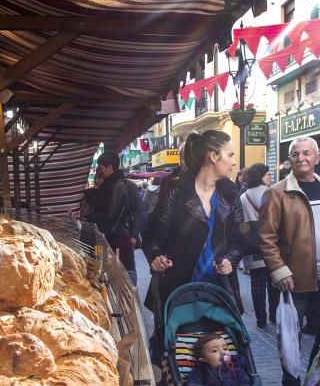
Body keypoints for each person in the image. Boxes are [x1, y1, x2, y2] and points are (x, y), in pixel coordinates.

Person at [258, 136, 320, 386]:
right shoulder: (278, 192)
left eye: (307, 153)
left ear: (317, 158)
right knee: (290, 341)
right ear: (289, 160)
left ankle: (312, 382)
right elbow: (266, 237)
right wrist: (279, 270)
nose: (301, 158)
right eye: (295, 154)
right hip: (295, 280)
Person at [142, 130, 245, 316]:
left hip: (219, 292)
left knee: (220, 345)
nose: (234, 161)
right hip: (179, 291)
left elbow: (240, 239)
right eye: (230, 155)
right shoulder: (176, 190)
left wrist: (231, 260)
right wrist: (155, 257)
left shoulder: (231, 193)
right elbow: (153, 235)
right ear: (213, 156)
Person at [84, 152, 140, 285]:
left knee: (126, 273)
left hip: (118, 238)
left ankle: (130, 302)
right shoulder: (109, 185)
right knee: (117, 274)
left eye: (101, 168)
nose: (99, 171)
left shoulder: (117, 185)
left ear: (110, 167)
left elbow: (111, 214)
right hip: (113, 237)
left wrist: (88, 215)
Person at [239, 164, 279, 329]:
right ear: (260, 176)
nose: (270, 177)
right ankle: (274, 315)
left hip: (251, 244)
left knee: (257, 283)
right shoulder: (270, 193)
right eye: (267, 174)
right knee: (273, 282)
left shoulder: (243, 196)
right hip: (270, 241)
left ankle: (260, 319)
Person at [186, 333, 253, 386]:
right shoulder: (198, 373)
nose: (223, 352)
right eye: (215, 351)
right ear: (204, 360)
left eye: (225, 348)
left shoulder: (237, 370)